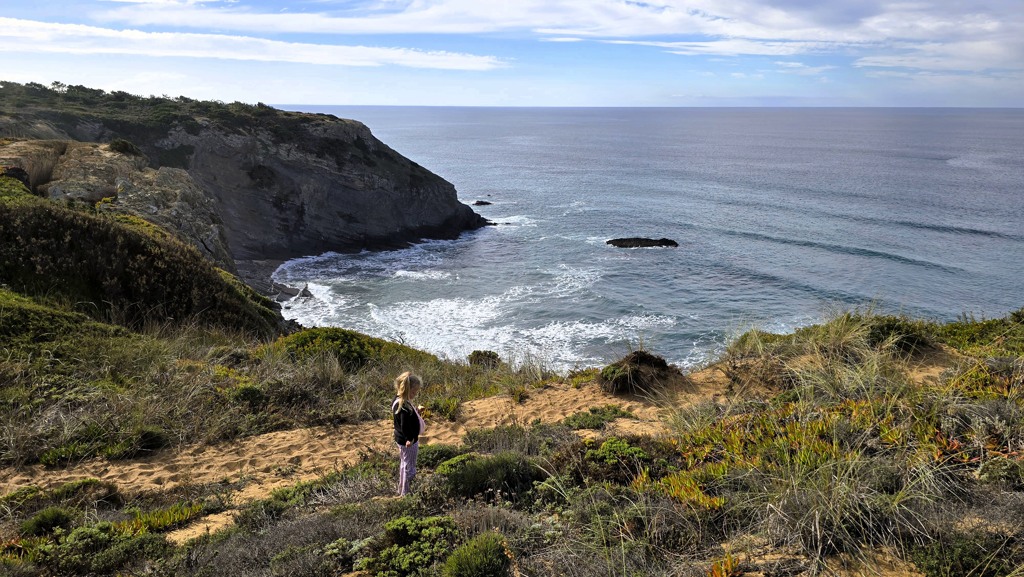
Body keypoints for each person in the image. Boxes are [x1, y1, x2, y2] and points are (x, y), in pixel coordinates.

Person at [392, 371, 425, 496]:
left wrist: (416, 411)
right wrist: (409, 438)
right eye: (413, 392)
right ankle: (407, 493)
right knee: (409, 468)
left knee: (404, 464)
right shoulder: (403, 406)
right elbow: (404, 424)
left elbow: (406, 420)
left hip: (402, 439)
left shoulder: (399, 400)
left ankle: (402, 490)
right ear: (406, 389)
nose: (415, 394)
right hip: (409, 441)